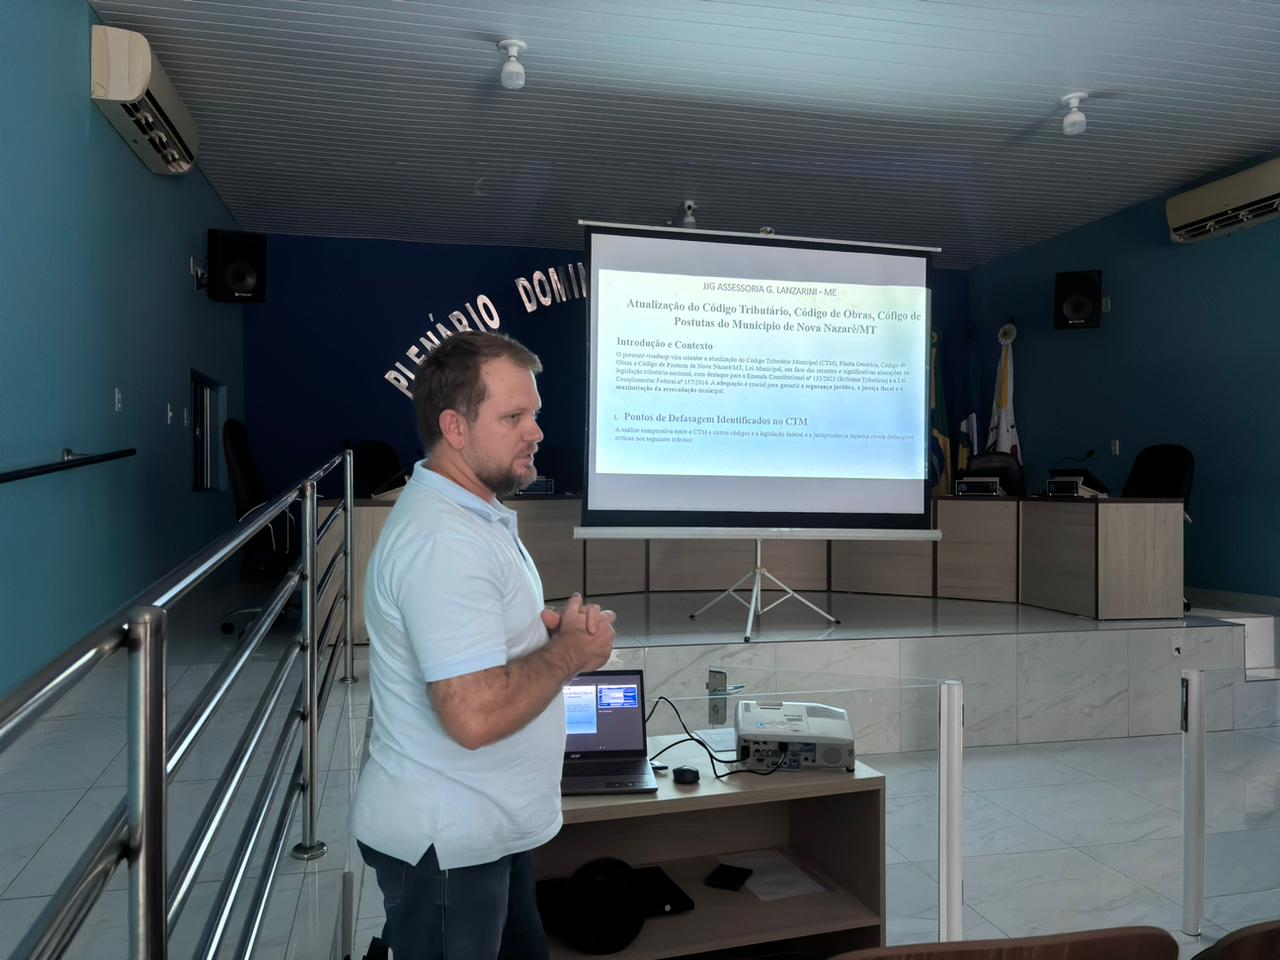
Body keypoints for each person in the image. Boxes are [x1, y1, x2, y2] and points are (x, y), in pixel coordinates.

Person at [351, 330, 615, 960]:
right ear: (455, 427)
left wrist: (538, 633)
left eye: (535, 414)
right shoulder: (446, 541)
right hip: (448, 847)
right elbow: (471, 716)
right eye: (514, 417)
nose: (537, 432)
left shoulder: (471, 514)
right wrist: (569, 655)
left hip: (485, 831)